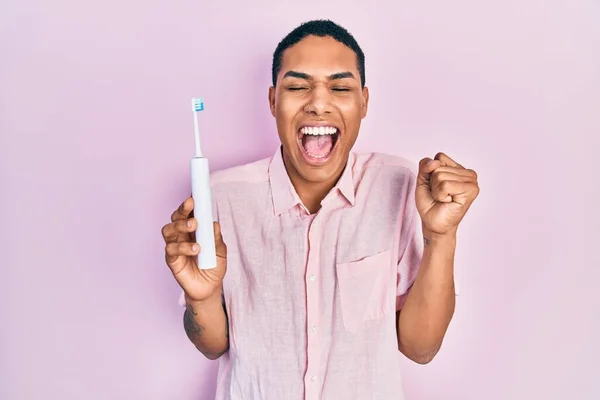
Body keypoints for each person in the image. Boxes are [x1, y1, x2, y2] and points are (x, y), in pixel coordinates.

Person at [161, 19, 479, 400]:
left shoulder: (399, 186)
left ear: (364, 102)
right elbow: (213, 345)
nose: (318, 103)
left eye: (340, 87)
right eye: (297, 87)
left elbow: (419, 348)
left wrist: (440, 236)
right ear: (273, 100)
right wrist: (201, 297)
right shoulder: (220, 196)